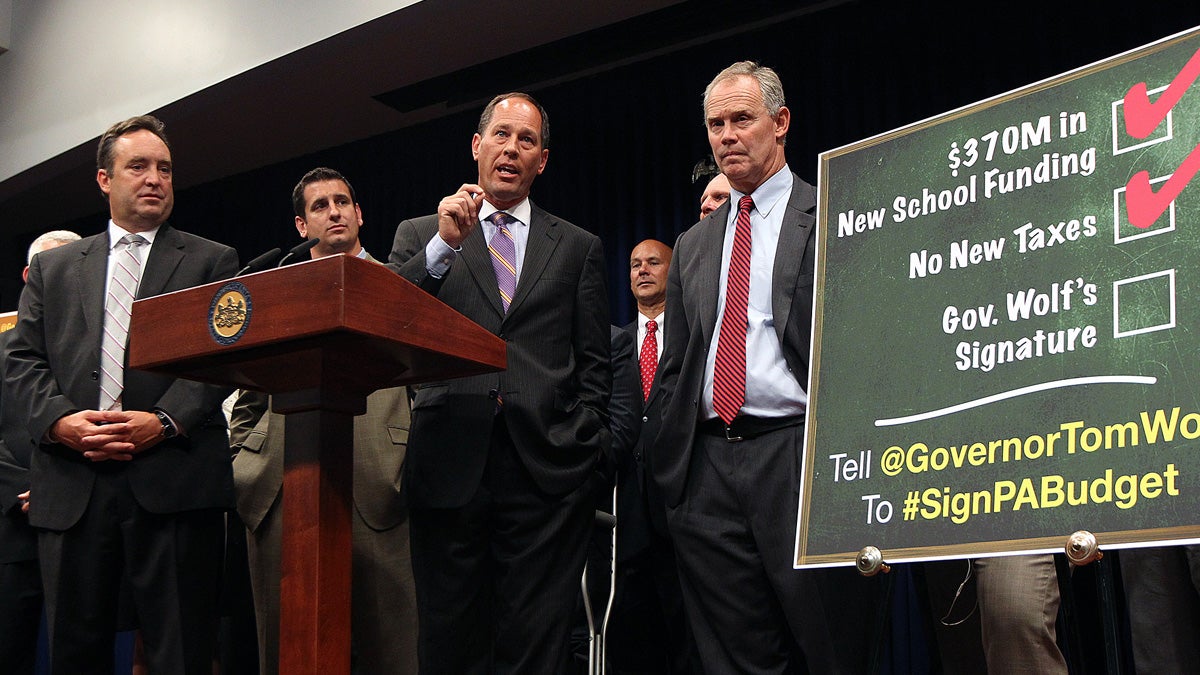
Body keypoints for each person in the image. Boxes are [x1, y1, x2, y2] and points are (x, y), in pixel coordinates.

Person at [654, 61, 873, 672]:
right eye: (715, 123)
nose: (727, 135)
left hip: (799, 456)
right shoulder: (694, 243)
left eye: (741, 119)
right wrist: (674, 470)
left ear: (780, 123)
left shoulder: (835, 210)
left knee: (832, 647)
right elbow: (676, 365)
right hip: (706, 470)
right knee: (734, 658)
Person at [4, 115, 239, 674]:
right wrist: (61, 423)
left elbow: (222, 357)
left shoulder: (212, 261)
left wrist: (163, 421)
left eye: (164, 168)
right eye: (138, 166)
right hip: (72, 482)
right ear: (104, 180)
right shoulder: (54, 268)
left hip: (173, 478)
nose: (155, 178)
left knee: (179, 652)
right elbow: (21, 362)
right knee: (74, 651)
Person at [388, 92, 611, 673]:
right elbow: (391, 325)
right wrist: (444, 247)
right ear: (476, 147)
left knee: (536, 646)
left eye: (527, 140)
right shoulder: (422, 235)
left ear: (543, 160)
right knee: (448, 643)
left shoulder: (578, 247)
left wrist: (587, 454)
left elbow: (594, 368)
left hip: (547, 473)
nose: (512, 148)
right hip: (448, 465)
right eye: (502, 135)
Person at [230, 167, 417, 674]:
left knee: (390, 653)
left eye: (342, 202)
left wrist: (404, 459)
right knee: (286, 652)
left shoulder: (398, 285)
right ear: (301, 225)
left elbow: (426, 386)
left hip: (379, 486)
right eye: (319, 205)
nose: (333, 211)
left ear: (359, 214)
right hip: (279, 489)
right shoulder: (276, 291)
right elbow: (248, 392)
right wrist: (245, 461)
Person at [606, 237, 697, 674]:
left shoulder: (691, 338)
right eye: (635, 263)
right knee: (629, 622)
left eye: (653, 262)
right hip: (624, 506)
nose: (642, 270)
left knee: (685, 620)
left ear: (672, 269)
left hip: (681, 499)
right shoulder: (611, 343)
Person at [0, 230, 81, 675]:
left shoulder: (96, 354)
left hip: (82, 519)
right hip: (14, 529)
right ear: (31, 275)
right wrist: (27, 490)